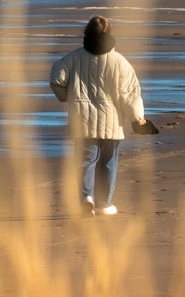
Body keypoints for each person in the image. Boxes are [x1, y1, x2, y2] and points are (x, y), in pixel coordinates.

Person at [49, 15, 152, 216]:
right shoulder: (120, 62)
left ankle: (86, 197)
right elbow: (130, 94)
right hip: (111, 121)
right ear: (109, 33)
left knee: (86, 160)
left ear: (87, 33)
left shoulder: (72, 58)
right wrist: (137, 117)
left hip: (82, 119)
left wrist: (65, 96)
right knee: (108, 161)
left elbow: (56, 78)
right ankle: (104, 204)